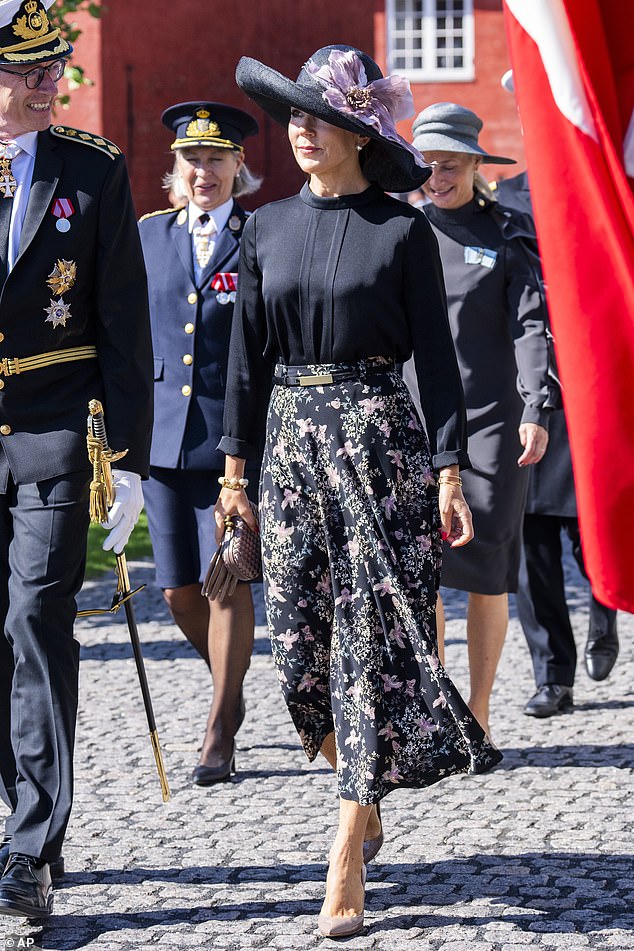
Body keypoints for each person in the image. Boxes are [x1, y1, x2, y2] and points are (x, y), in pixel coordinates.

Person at [216, 46, 502, 938]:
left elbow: (440, 365)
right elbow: (242, 367)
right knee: (301, 658)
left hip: (382, 446)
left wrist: (450, 468)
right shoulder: (261, 228)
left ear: (357, 133)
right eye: (293, 115)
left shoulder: (404, 230)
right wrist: (234, 474)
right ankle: (363, 778)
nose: (300, 129)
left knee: (368, 649)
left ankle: (346, 848)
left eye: (318, 117)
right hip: (292, 449)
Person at [0, 0, 152, 919]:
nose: (51, 79)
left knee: (34, 619)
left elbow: (122, 319)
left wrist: (125, 457)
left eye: (56, 64)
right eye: (27, 68)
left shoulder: (90, 172)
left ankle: (32, 842)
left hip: (55, 435)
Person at [405, 102, 552, 739]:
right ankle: (440, 708)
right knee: (426, 566)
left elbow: (529, 326)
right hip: (414, 419)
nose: (436, 176)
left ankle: (481, 711)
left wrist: (535, 404)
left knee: (484, 564)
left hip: (493, 423)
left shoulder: (505, 232)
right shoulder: (401, 229)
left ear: (473, 164)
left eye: (448, 164)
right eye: (426, 165)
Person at [138, 102, 261, 785]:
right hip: (159, 440)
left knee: (225, 582)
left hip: (230, 441)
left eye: (217, 158)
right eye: (193, 159)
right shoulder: (149, 236)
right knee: (178, 592)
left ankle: (219, 729)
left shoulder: (259, 235)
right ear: (176, 169)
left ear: (238, 165)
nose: (204, 171)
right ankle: (233, 681)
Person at [492, 167, 618, 715]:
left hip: (592, 390)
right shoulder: (506, 200)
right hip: (529, 396)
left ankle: (604, 607)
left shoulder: (599, 176)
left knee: (594, 535)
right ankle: (553, 677)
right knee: (533, 547)